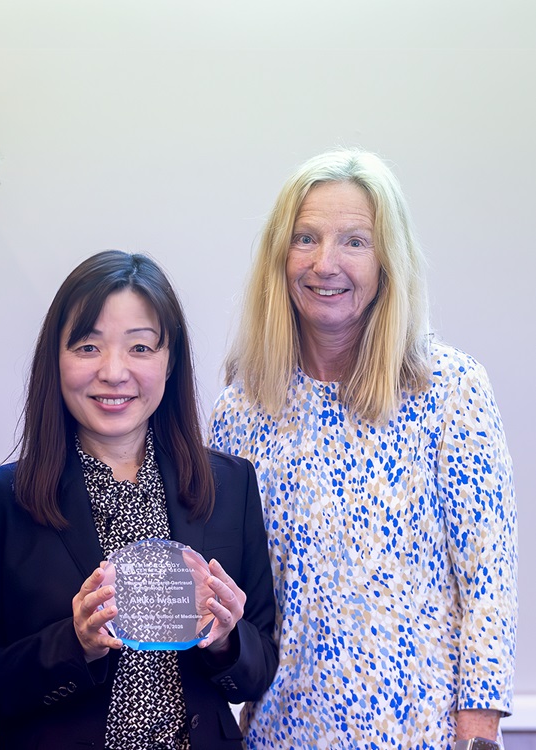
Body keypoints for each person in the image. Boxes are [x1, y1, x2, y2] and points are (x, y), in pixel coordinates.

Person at [208, 148, 517, 748]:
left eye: (355, 241)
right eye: (306, 238)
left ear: (387, 262)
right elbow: (240, 604)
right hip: (282, 732)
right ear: (280, 256)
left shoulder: (450, 392)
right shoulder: (240, 412)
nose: (327, 263)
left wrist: (477, 732)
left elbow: (488, 578)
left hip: (421, 734)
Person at [0, 250, 278, 749]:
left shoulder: (229, 486)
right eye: (88, 347)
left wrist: (227, 639)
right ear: (56, 358)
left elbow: (258, 670)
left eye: (140, 348)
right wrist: (72, 644)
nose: (114, 372)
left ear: (170, 360)